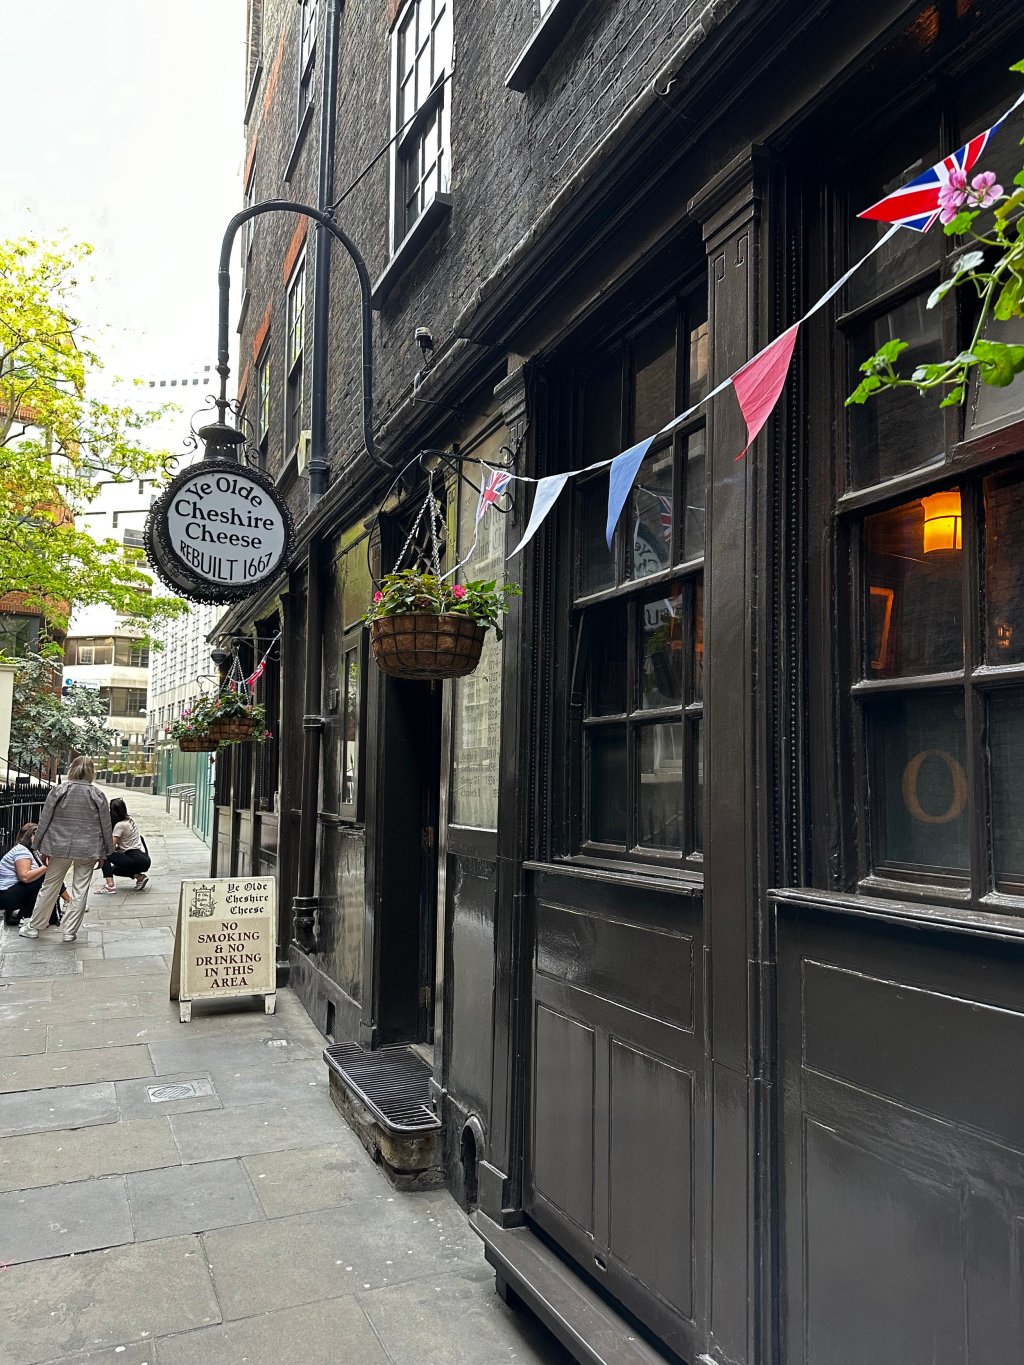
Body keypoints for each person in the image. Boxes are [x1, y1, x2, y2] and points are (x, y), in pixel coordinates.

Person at [21, 756, 113, 943]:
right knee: (80, 889)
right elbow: (106, 826)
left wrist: (38, 845)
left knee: (49, 886)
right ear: (91, 772)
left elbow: (45, 820)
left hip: (58, 846)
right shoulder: (98, 795)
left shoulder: (59, 791)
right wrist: (105, 852)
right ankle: (70, 931)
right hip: (88, 848)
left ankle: (35, 927)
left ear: (72, 769)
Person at [0, 823, 69, 926]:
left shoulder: (29, 851)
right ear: (31, 837)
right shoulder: (21, 852)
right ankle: (27, 917)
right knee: (42, 879)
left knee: (46, 878)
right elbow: (25, 877)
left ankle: (36, 915)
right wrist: (47, 866)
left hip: (12, 893)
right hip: (5, 896)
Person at [96, 798, 150, 893]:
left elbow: (110, 847)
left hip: (134, 858)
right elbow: (127, 842)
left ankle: (110, 886)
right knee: (115, 870)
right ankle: (140, 877)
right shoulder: (130, 821)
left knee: (104, 855)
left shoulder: (120, 825)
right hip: (143, 858)